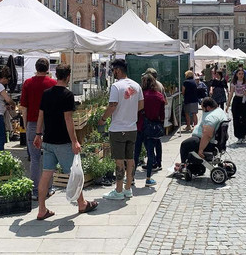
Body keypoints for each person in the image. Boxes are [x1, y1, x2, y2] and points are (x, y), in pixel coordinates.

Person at [33, 64, 98, 220]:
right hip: (62, 142)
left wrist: (37, 134)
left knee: (46, 174)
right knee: (73, 173)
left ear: (56, 75)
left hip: (47, 140)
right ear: (68, 76)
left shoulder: (46, 93)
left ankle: (41, 209)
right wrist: (75, 141)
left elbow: (40, 115)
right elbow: (68, 120)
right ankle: (82, 204)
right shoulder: (67, 95)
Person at [99, 59, 144, 200]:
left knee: (119, 160)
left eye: (113, 71)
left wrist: (103, 118)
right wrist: (129, 112)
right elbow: (141, 105)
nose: (113, 73)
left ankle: (118, 191)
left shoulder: (116, 86)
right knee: (130, 159)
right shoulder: (136, 85)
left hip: (118, 128)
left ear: (117, 70)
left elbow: (112, 105)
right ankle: (128, 188)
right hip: (132, 127)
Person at [19, 58, 57, 201]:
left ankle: (35, 190)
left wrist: (26, 123)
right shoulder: (52, 83)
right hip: (50, 124)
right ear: (47, 68)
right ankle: (48, 188)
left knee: (34, 158)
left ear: (36, 68)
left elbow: (24, 107)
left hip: (33, 123)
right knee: (49, 156)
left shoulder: (28, 83)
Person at [177, 97, 228, 166]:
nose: (203, 110)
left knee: (185, 145)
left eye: (203, 108)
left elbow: (207, 135)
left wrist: (201, 150)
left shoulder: (211, 117)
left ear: (208, 108)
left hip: (208, 143)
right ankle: (189, 165)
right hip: (210, 139)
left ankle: (184, 166)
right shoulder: (219, 111)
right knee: (190, 143)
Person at [137, 74, 166, 187]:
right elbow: (162, 115)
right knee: (150, 153)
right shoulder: (159, 96)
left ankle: (132, 178)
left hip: (140, 126)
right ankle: (148, 178)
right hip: (152, 127)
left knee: (136, 153)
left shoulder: (141, 95)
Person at [226, 68, 246, 143]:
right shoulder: (234, 83)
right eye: (239, 74)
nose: (241, 75)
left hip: (244, 101)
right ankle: (238, 136)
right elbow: (231, 93)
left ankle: (244, 134)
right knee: (236, 119)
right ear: (236, 75)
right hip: (236, 100)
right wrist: (228, 105)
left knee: (244, 118)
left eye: (242, 74)